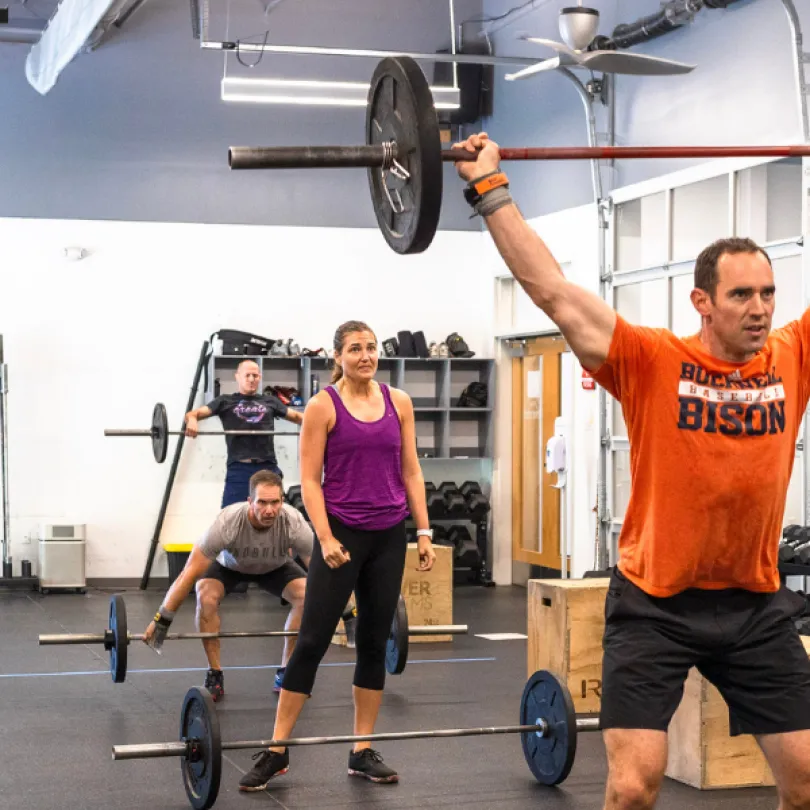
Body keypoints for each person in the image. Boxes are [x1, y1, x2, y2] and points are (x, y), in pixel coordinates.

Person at [451, 132, 810, 810]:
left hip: (754, 605)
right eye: (741, 295)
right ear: (702, 302)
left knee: (807, 780)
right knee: (633, 786)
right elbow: (554, 293)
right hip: (655, 607)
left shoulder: (794, 355)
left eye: (767, 293)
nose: (760, 308)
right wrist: (489, 188)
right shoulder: (652, 361)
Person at [239, 319, 436, 792]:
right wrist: (325, 538)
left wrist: (424, 530)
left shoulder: (399, 402)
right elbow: (309, 481)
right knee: (312, 641)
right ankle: (277, 750)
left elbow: (411, 470)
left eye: (371, 347)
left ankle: (361, 749)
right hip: (342, 536)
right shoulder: (322, 407)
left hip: (388, 535)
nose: (365, 356)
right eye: (355, 349)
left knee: (373, 644)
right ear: (338, 356)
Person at [143, 470, 313, 700]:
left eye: (275, 502)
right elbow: (188, 574)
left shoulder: (294, 522)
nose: (269, 510)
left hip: (275, 567)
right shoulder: (227, 522)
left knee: (307, 596)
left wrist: (348, 612)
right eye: (262, 502)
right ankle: (215, 673)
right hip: (230, 567)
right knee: (205, 596)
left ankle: (286, 672)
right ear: (250, 501)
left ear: (282, 500)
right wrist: (161, 621)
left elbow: (321, 571)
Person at [185, 358, 303, 507]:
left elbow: (298, 417)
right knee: (230, 514)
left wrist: (324, 424)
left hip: (267, 467)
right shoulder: (224, 401)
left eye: (255, 375)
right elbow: (193, 414)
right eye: (247, 375)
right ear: (238, 376)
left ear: (259, 377)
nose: (252, 379)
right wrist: (192, 420)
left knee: (272, 513)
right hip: (238, 468)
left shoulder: (270, 401)